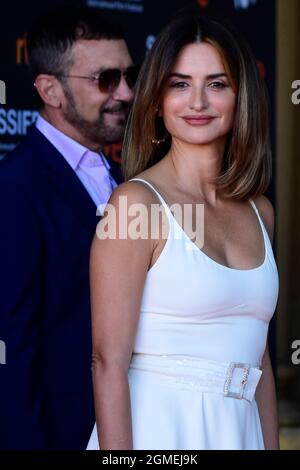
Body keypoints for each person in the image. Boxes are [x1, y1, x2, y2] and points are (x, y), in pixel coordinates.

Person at [87, 13, 279, 450]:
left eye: (216, 83)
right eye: (179, 84)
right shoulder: (135, 204)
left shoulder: (260, 211)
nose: (198, 101)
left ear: (240, 96)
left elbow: (260, 361)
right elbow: (107, 362)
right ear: (155, 99)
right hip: (159, 434)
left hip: (239, 431)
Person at [0, 7, 136, 449]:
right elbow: (13, 348)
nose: (127, 92)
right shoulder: (15, 187)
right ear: (50, 90)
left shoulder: (130, 176)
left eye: (128, 76)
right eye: (106, 79)